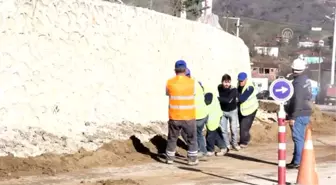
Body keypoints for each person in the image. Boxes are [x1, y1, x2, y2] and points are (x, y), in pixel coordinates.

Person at [165, 60, 198, 165]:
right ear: (185, 69)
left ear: (175, 70)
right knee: (192, 138)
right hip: (189, 116)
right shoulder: (192, 82)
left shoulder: (169, 82)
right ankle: (192, 159)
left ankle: (170, 158)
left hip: (174, 116)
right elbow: (194, 93)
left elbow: (167, 93)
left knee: (172, 138)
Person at [285, 58, 312, 169]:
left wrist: (293, 117)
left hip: (299, 114)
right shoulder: (305, 80)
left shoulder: (298, 83)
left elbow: (297, 101)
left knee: (298, 138)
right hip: (305, 112)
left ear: (293, 69)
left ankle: (297, 161)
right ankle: (296, 160)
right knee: (300, 137)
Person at [180, 68, 209, 158]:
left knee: (186, 132)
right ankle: (203, 151)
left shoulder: (190, 85)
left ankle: (195, 150)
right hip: (203, 113)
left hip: (197, 114)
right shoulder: (196, 81)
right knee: (198, 133)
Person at [218, 74, 240, 151]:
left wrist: (217, 98)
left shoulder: (233, 90)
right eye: (225, 82)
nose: (227, 84)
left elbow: (228, 100)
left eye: (228, 82)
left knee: (233, 129)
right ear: (222, 82)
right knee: (223, 129)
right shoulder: (219, 87)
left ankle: (235, 144)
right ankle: (227, 145)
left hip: (232, 111)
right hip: (223, 111)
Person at [237, 72, 259, 148]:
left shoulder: (250, 87)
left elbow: (242, 98)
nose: (240, 82)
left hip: (251, 109)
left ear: (246, 79)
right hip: (243, 110)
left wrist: (235, 98)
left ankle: (244, 142)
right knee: (242, 126)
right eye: (239, 81)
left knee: (244, 126)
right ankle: (246, 138)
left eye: (242, 81)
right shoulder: (239, 85)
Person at [205, 92, 228, 156]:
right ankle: (223, 147)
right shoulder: (206, 92)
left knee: (210, 134)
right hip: (215, 114)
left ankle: (210, 150)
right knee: (214, 133)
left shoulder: (207, 94)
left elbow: (207, 102)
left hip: (213, 116)